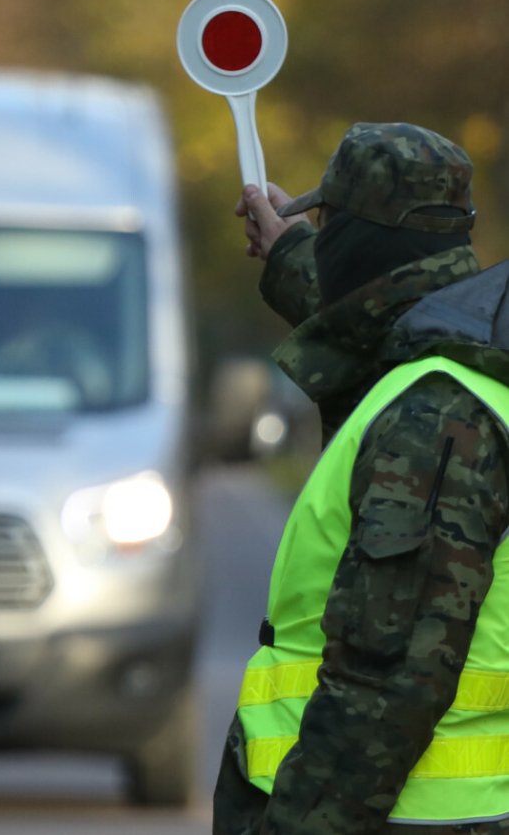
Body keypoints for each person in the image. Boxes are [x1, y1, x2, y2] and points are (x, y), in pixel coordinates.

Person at [214, 122, 509, 833]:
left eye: (328, 225)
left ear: (354, 239)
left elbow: (387, 680)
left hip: (416, 816)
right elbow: (378, 322)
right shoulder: (459, 348)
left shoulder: (436, 412)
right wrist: (288, 247)